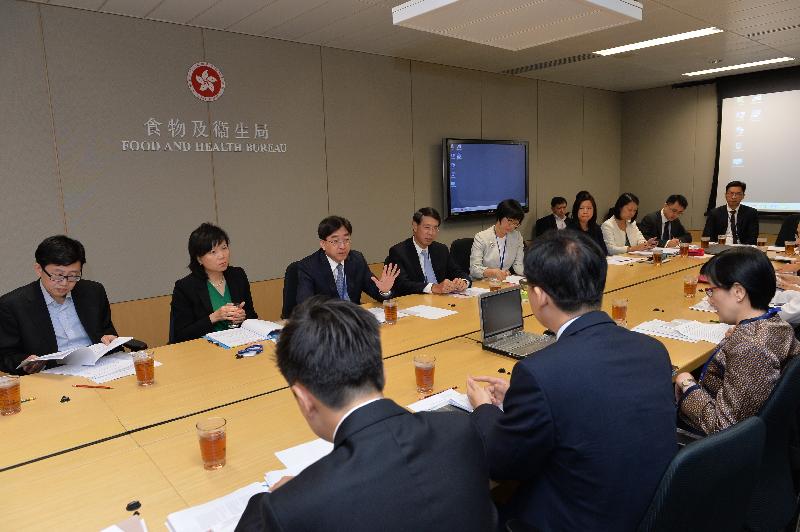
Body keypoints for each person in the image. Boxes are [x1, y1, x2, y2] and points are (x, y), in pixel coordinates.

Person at [466, 230, 676, 531]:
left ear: (538, 297)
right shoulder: (653, 350)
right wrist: (522, 398)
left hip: (575, 519)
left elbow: (503, 463)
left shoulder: (541, 371)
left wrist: (483, 409)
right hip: (645, 509)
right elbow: (590, 400)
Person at [236, 297, 496, 531]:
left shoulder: (295, 506)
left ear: (304, 399)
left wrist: (274, 500)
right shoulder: (461, 429)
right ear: (381, 370)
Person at [675, 247, 800, 435]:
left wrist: (687, 385)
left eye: (712, 291)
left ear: (738, 292)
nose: (709, 300)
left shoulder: (751, 346)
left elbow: (722, 428)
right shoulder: (777, 325)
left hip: (712, 442)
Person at [0, 235, 118, 375]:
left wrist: (110, 339)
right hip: (52, 375)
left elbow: (106, 331)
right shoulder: (12, 305)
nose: (64, 283)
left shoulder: (93, 292)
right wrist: (25, 361)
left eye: (73, 275)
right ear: (39, 269)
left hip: (100, 368)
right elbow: (5, 355)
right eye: (57, 276)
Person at [170, 223, 257, 343]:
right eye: (213, 252)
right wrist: (214, 317)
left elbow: (252, 315)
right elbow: (180, 335)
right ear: (199, 258)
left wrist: (244, 316)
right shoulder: (185, 287)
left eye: (224, 247)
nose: (222, 255)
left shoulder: (237, 275)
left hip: (239, 343)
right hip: (205, 350)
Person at [296, 216, 399, 305]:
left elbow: (376, 292)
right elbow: (306, 306)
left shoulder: (356, 259)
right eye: (335, 241)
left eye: (346, 240)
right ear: (323, 244)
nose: (342, 246)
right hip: (328, 322)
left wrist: (384, 291)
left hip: (354, 320)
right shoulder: (308, 267)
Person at [386, 207, 470, 296]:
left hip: (443, 300)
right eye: (427, 227)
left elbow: (458, 272)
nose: (431, 233)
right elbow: (402, 284)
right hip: (416, 303)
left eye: (435, 228)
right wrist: (432, 287)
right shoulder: (399, 252)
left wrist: (463, 282)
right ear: (415, 226)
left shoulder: (441, 249)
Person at [470, 199, 525, 280]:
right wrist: (493, 272)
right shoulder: (482, 237)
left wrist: (533, 275)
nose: (512, 226)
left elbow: (518, 265)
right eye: (510, 221)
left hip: (504, 282)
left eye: (516, 223)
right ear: (500, 216)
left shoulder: (517, 236)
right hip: (483, 282)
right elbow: (474, 269)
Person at [702, 180, 759, 245]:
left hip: (742, 249)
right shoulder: (715, 213)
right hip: (720, 247)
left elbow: (753, 238)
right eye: (731, 193)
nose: (733, 197)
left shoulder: (751, 213)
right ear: (725, 195)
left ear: (743, 196)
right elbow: (707, 236)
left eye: (737, 194)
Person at [565, 190, 608, 255]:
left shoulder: (596, 228)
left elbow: (604, 251)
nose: (585, 211)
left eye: (589, 208)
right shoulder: (570, 229)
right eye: (581, 208)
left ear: (594, 210)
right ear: (576, 210)